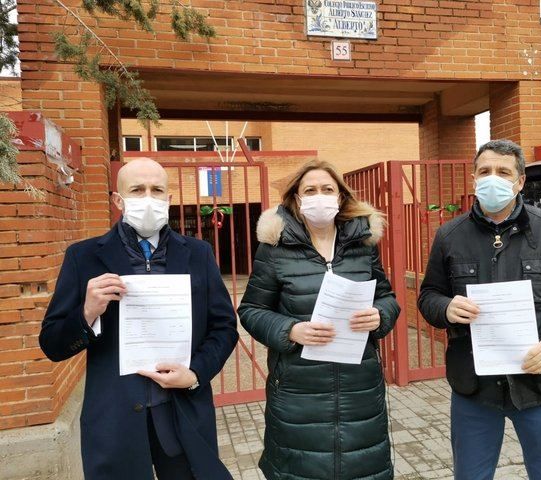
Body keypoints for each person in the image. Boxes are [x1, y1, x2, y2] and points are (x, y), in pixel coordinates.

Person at [417, 139, 541, 480]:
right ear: (474, 178)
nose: (493, 178)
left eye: (503, 172)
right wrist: (445, 307)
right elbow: (428, 295)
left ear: (520, 181)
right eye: (484, 171)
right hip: (474, 389)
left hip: (540, 386)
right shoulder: (449, 235)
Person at [39, 158, 238, 480]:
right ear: (118, 200)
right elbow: (53, 345)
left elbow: (224, 327)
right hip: (115, 419)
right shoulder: (84, 256)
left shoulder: (198, 253)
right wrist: (88, 311)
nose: (148, 197)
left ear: (169, 199)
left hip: (181, 413)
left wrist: (196, 374)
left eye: (157, 190)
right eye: (137, 189)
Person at [238, 160, 400, 480]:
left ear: (340, 197)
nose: (319, 196)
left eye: (328, 189)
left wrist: (380, 315)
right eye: (309, 190)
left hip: (360, 390)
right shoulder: (275, 248)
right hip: (298, 394)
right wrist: (290, 330)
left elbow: (387, 298)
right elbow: (251, 310)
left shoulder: (362, 244)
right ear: (296, 200)